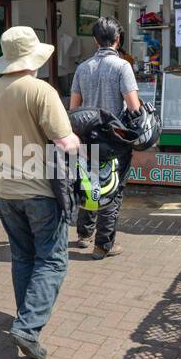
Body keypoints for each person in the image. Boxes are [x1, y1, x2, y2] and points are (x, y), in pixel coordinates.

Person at [0, 27, 81, 359]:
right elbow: (65, 142)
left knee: (23, 256)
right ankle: (28, 327)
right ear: (33, 58)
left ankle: (24, 318)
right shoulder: (41, 92)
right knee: (53, 259)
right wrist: (77, 140)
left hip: (6, 191)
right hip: (40, 192)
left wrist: (1, 155)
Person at [69, 16, 139, 258]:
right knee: (112, 188)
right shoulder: (122, 67)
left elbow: (74, 108)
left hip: (88, 137)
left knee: (88, 183)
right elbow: (133, 107)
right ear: (117, 40)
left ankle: (83, 235)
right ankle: (103, 245)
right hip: (114, 140)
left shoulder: (82, 68)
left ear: (95, 40)